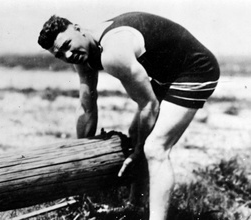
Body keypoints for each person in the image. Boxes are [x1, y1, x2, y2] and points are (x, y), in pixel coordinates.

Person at [38, 12, 220, 220]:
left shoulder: (112, 52)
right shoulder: (82, 52)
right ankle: (135, 207)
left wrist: (138, 151)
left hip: (195, 69)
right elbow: (87, 106)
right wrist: (82, 157)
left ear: (78, 29)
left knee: (155, 148)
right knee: (136, 132)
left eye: (67, 45)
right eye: (59, 54)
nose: (68, 55)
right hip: (166, 73)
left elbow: (148, 105)